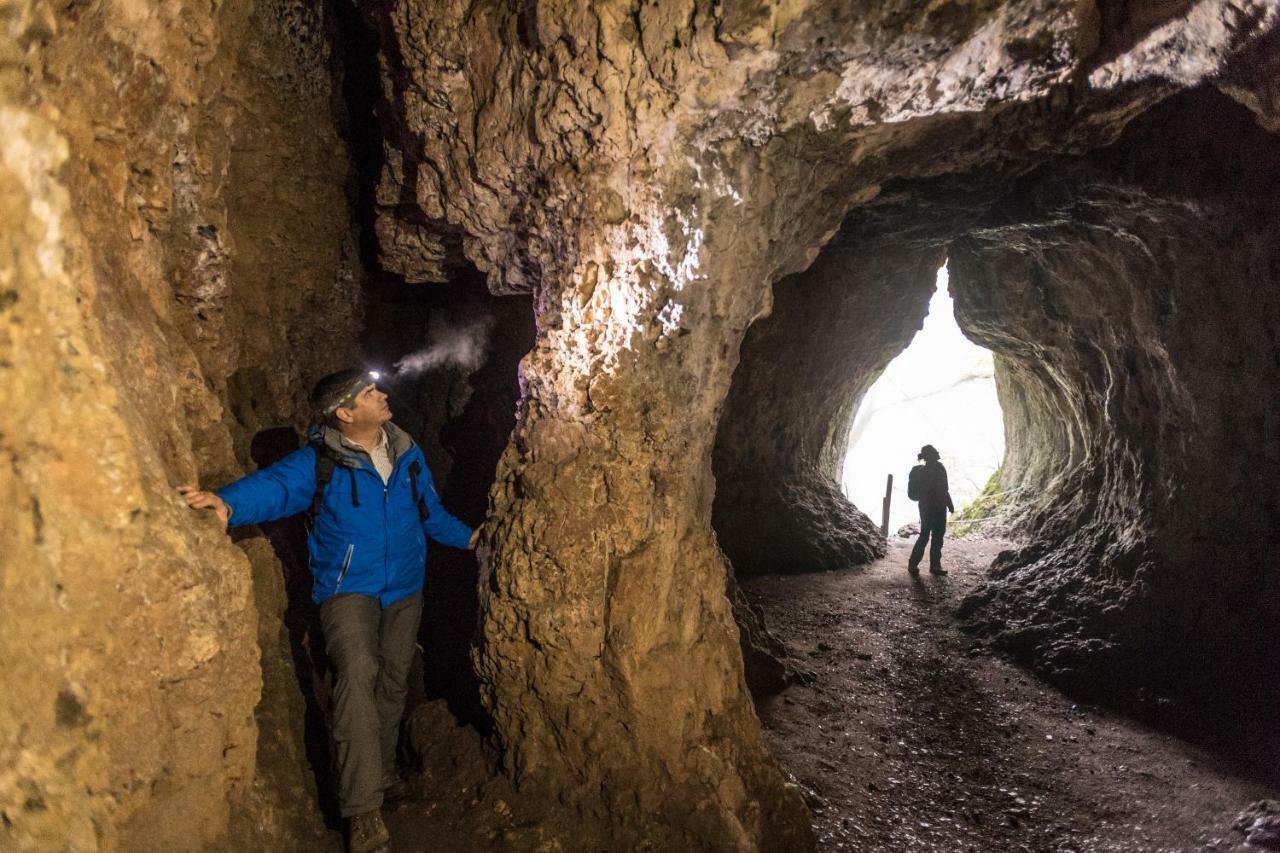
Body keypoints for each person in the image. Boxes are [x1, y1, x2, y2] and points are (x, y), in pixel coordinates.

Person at [179, 368, 478, 853]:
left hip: (404, 587)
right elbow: (273, 488)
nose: (381, 395)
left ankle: (379, 772)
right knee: (357, 672)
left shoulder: (407, 452)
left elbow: (432, 515)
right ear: (344, 412)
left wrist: (471, 538)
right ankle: (362, 810)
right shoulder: (319, 462)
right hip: (347, 590)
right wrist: (226, 503)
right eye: (369, 392)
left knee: (394, 680)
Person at [906, 444, 954, 576]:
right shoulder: (923, 472)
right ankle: (913, 564)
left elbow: (944, 489)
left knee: (937, 537)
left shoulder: (939, 468)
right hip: (928, 508)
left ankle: (934, 566)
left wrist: (949, 504)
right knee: (925, 536)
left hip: (938, 507)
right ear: (929, 456)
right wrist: (947, 504)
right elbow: (931, 490)